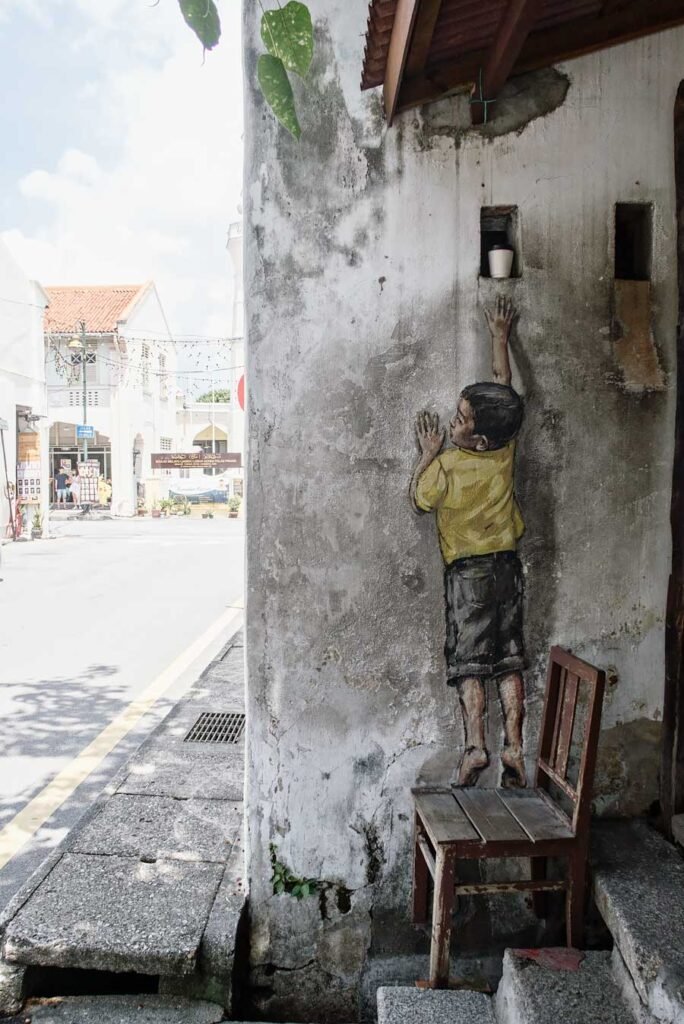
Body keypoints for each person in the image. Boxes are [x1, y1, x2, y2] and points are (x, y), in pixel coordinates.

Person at [410, 296, 526, 789]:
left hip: (468, 576)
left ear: (476, 438)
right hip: (508, 567)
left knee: (470, 665)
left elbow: (419, 499)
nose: (453, 422)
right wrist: (499, 335)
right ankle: (516, 747)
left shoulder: (450, 464)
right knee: (510, 658)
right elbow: (504, 390)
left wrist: (428, 453)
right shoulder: (504, 450)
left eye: (460, 419)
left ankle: (477, 745)